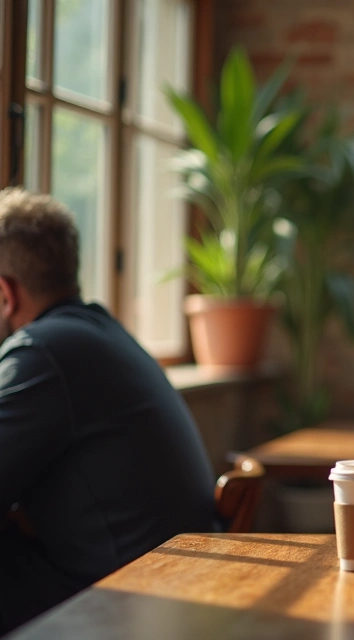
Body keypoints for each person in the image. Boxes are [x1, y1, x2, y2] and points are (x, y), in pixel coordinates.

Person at [0, 189, 215, 633]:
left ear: (5, 295)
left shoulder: (42, 353)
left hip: (125, 603)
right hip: (178, 582)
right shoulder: (99, 331)